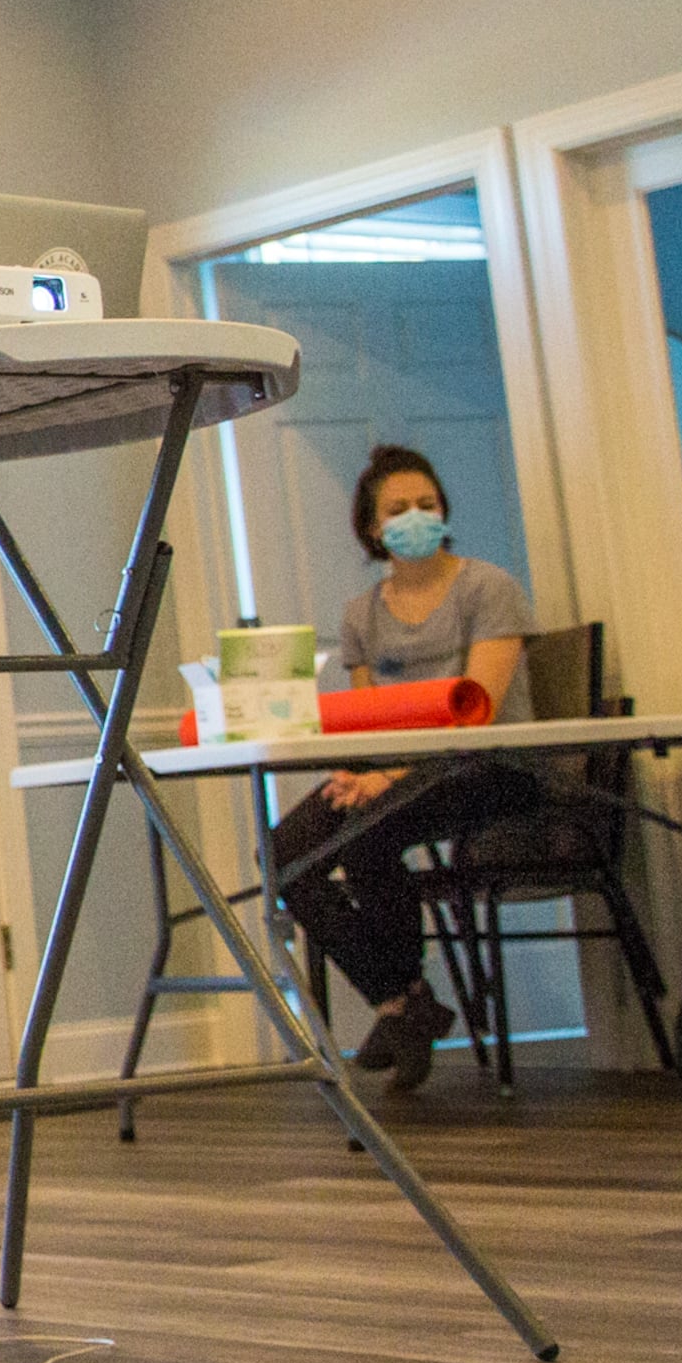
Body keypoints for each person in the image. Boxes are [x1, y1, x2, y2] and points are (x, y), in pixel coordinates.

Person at [267, 445, 532, 1092]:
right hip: (391, 776)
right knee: (286, 851)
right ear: (371, 527)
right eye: (398, 509)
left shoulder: (488, 589)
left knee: (371, 831)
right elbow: (369, 716)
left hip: (484, 769)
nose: (416, 516)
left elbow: (480, 713)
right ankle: (402, 999)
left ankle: (404, 1008)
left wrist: (387, 781)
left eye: (427, 505)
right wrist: (364, 775)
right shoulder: (362, 614)